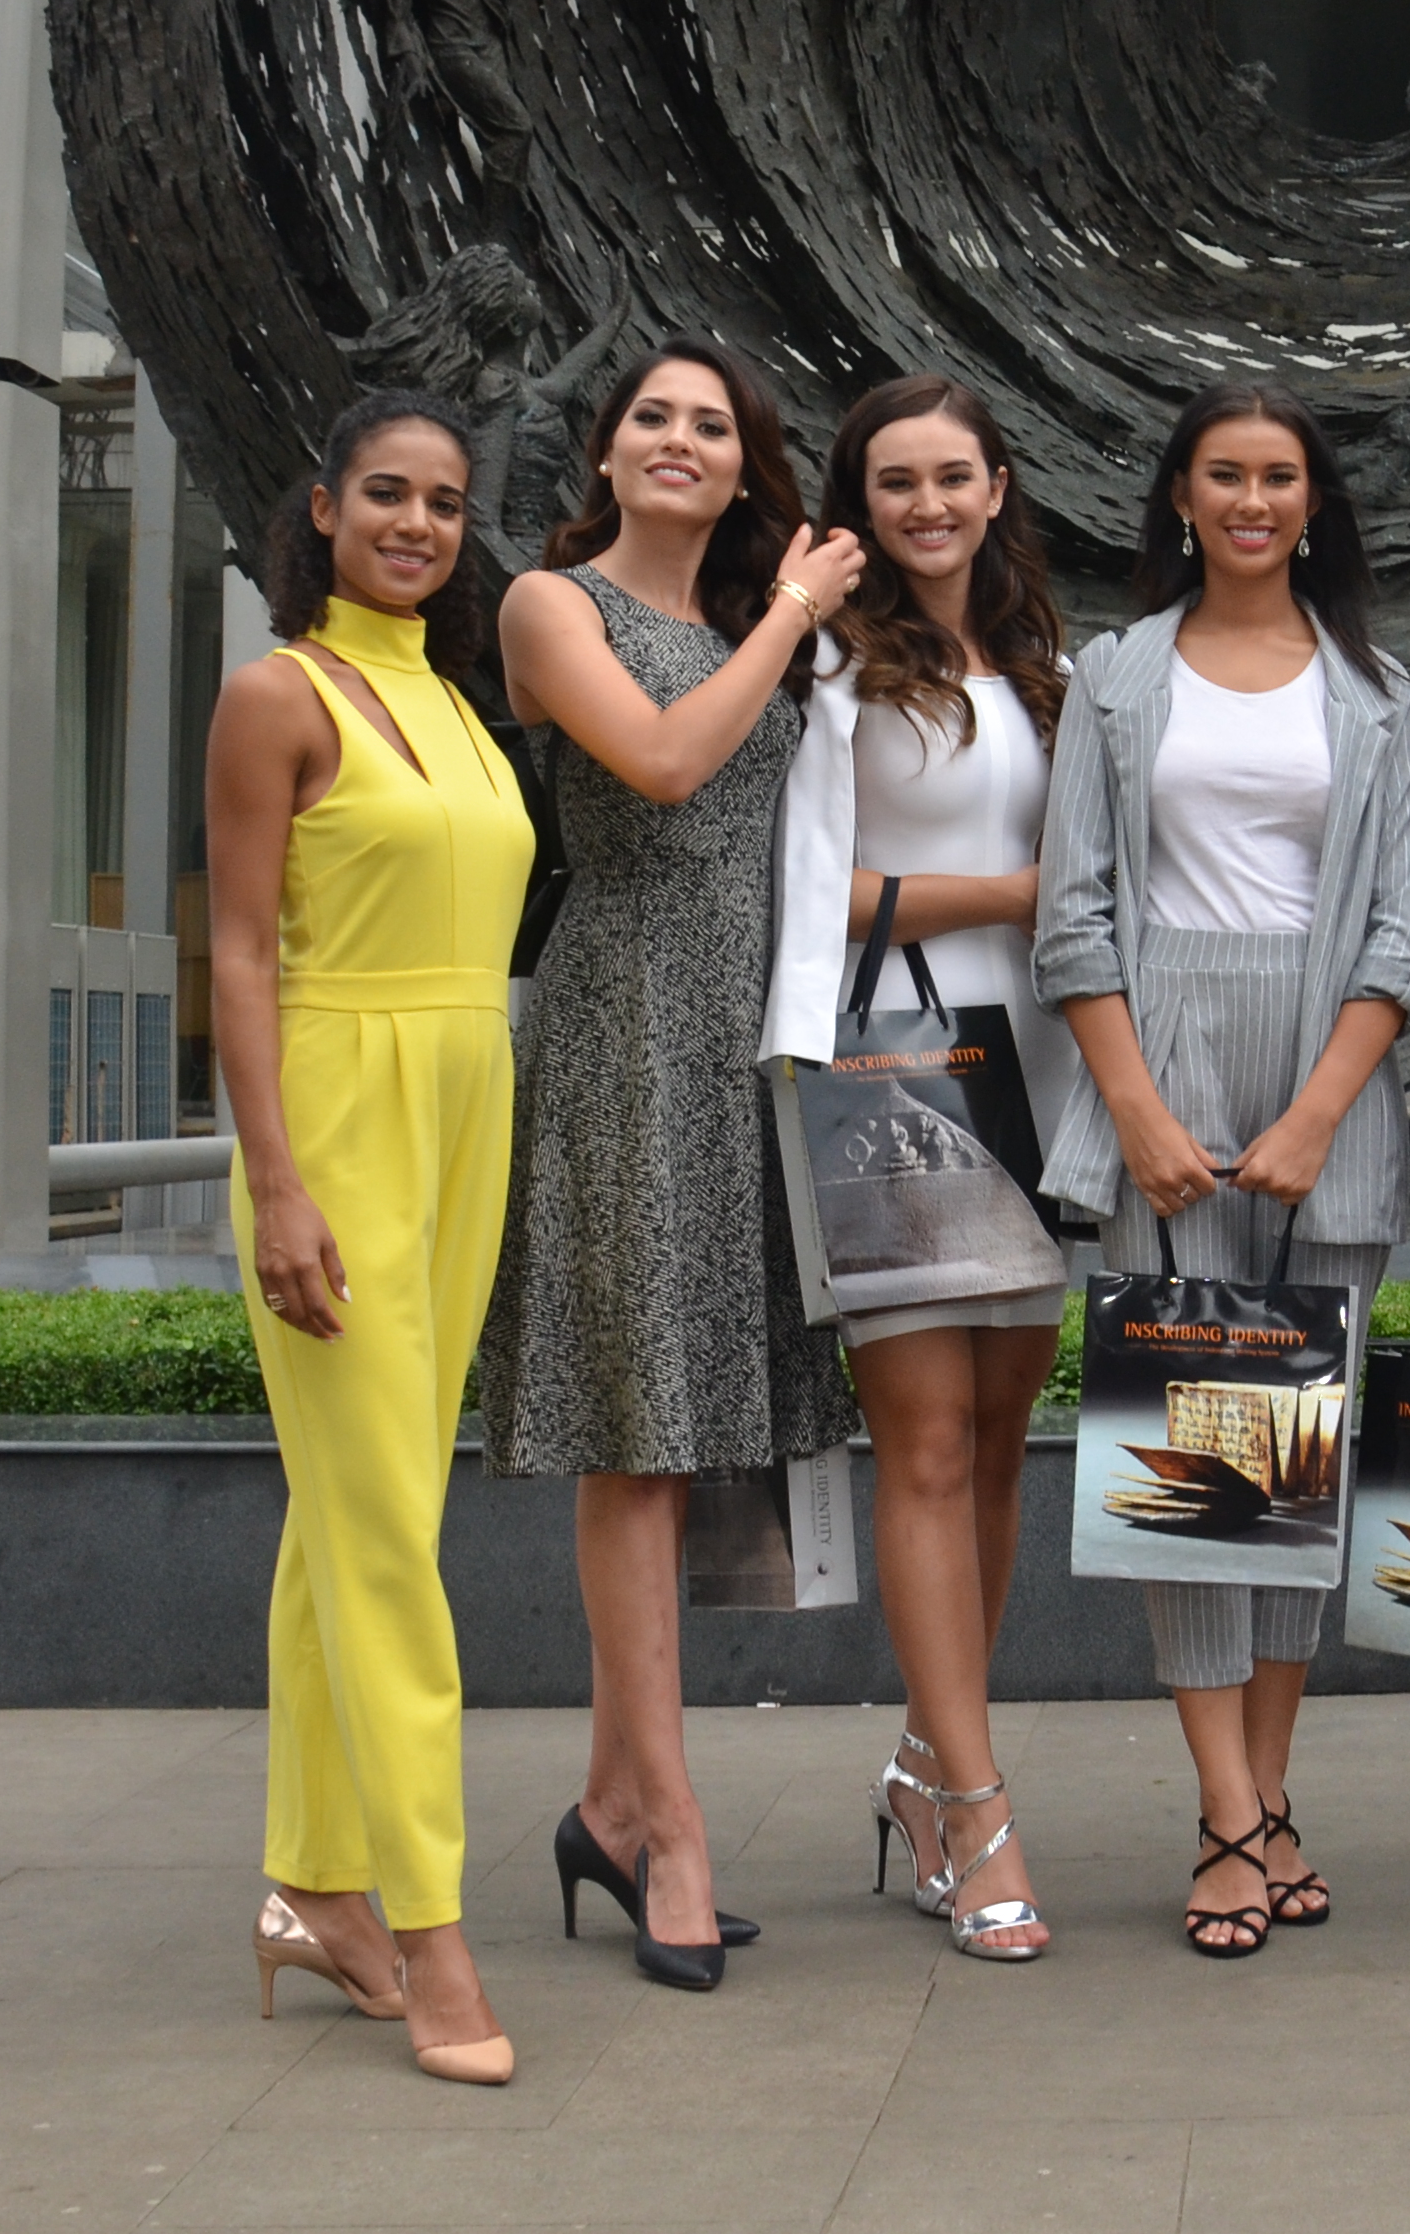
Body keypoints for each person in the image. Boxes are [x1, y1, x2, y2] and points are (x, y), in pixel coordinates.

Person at [480, 340, 866, 1991]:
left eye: (714, 425)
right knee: (632, 1436)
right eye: (654, 417)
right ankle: (676, 1828)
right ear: (609, 447)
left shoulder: (755, 636)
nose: (681, 442)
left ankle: (606, 1804)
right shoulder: (551, 606)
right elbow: (655, 762)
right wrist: (790, 618)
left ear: (743, 463)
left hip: (743, 1036)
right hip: (625, 1026)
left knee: (693, 1423)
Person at [1037, 381, 1410, 1960]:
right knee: (1194, 1464)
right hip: (1166, 1067)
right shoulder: (1117, 678)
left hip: (1325, 1082)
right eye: (1226, 475)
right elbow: (1074, 908)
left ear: (1313, 501)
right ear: (1183, 500)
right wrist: (1132, 1108)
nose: (1255, 499)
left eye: (1280, 476)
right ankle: (1222, 1818)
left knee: (1300, 1474)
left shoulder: (1379, 691)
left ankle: (1267, 1801)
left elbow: (1402, 928)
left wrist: (1326, 1110)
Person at [214, 391, 534, 2087]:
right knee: (384, 1536)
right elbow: (246, 954)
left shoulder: (460, 709)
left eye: (445, 503)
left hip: (467, 1101)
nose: (417, 523)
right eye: (387, 496)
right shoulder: (280, 695)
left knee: (357, 1513)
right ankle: (429, 1924)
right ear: (324, 507)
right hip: (339, 1107)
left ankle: (308, 1885)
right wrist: (275, 1180)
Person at [765, 373, 1079, 1962]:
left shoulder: (1039, 662)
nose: (929, 504)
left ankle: (920, 1765)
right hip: (889, 1065)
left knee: (1008, 1436)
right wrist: (1015, 896)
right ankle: (978, 1808)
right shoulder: (827, 667)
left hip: (1040, 1078)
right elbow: (819, 889)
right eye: (897, 481)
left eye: (954, 476)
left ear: (1000, 484)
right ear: (858, 498)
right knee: (930, 1443)